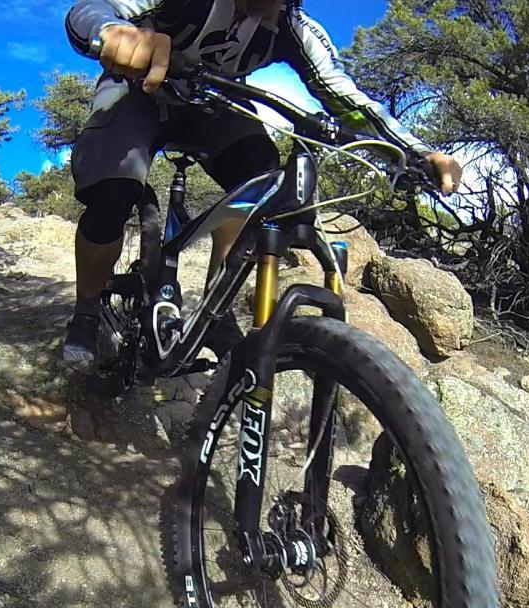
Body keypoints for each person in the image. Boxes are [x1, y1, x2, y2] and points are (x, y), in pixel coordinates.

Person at [62, 0, 462, 369]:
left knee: (263, 181)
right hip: (139, 92)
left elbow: (344, 95)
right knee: (111, 193)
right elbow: (91, 9)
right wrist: (113, 32)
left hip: (215, 106)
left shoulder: (289, 25)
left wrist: (417, 153)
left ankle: (214, 312)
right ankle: (87, 310)